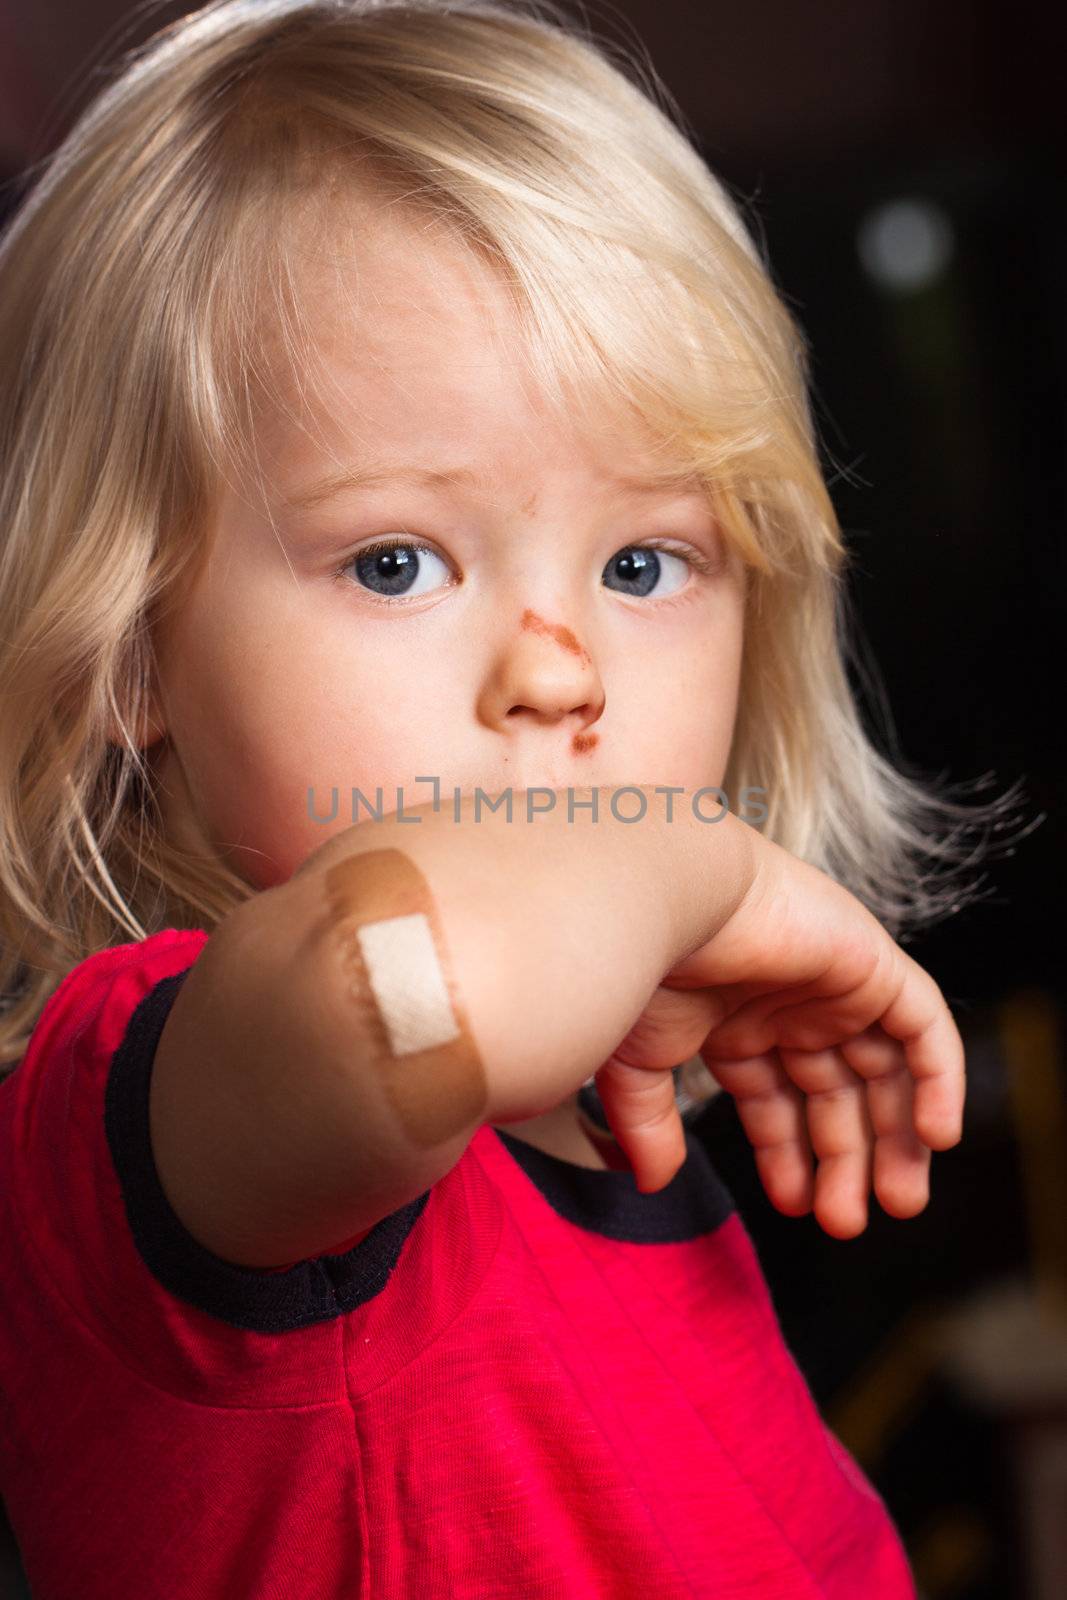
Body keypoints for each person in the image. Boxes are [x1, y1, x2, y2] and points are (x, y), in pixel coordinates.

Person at [0, 2, 1024, 1595]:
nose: (559, 672)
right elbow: (383, 998)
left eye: (643, 563)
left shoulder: (620, 1186)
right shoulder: (173, 1101)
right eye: (397, 563)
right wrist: (701, 866)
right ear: (131, 643)